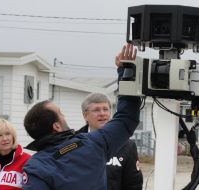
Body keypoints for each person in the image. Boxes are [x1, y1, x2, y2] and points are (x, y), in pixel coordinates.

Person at [22, 43, 141, 190]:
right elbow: (126, 117)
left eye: (105, 109)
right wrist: (126, 71)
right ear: (56, 126)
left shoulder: (35, 167)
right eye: (60, 113)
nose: (64, 115)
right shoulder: (92, 144)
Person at [76, 92, 143, 190]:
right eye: (96, 110)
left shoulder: (128, 146)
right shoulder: (74, 143)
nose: (102, 113)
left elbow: (133, 185)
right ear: (85, 115)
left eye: (105, 109)